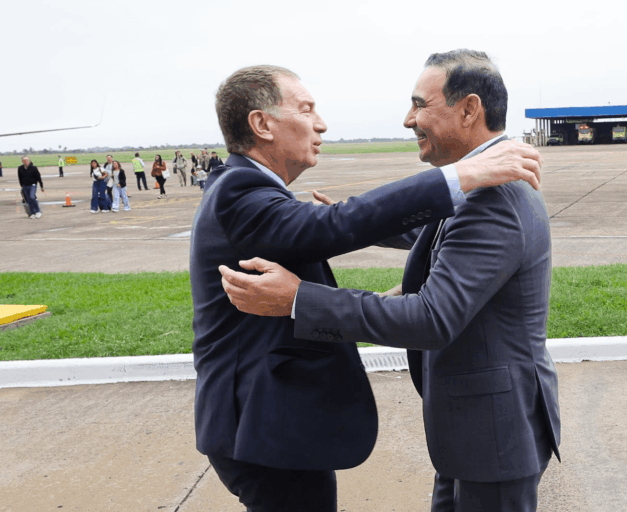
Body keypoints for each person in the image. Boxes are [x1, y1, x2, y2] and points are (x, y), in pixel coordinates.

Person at [189, 64, 542, 512]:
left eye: (419, 104)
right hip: (262, 426)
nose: (321, 123)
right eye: (307, 109)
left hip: (271, 424)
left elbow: (430, 257)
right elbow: (332, 227)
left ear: (470, 110)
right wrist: (463, 175)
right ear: (261, 125)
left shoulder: (499, 199)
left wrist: (384, 298)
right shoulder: (240, 189)